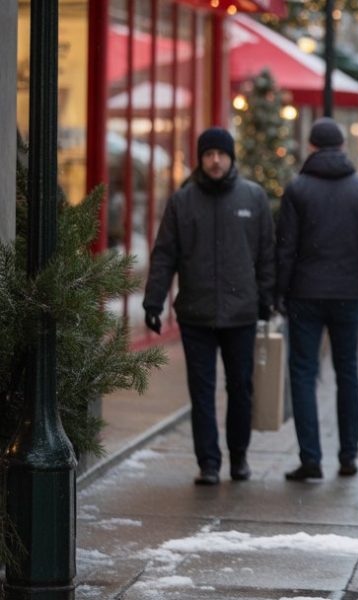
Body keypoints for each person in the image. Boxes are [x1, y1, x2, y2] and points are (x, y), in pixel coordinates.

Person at [143, 127, 275, 486]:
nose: (215, 160)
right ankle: (209, 463)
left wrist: (265, 298)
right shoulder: (182, 201)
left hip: (240, 313)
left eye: (221, 154)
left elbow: (266, 254)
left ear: (231, 157)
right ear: (200, 159)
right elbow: (164, 254)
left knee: (240, 388)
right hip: (196, 313)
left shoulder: (253, 197)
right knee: (201, 391)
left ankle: (239, 456)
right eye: (208, 154)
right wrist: (154, 301)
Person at [276, 117, 358, 481]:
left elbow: (285, 249)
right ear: (343, 147)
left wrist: (278, 294)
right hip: (349, 294)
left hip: (305, 294)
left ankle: (310, 457)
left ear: (311, 147)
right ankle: (348, 455)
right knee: (348, 372)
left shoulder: (297, 189)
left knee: (303, 373)